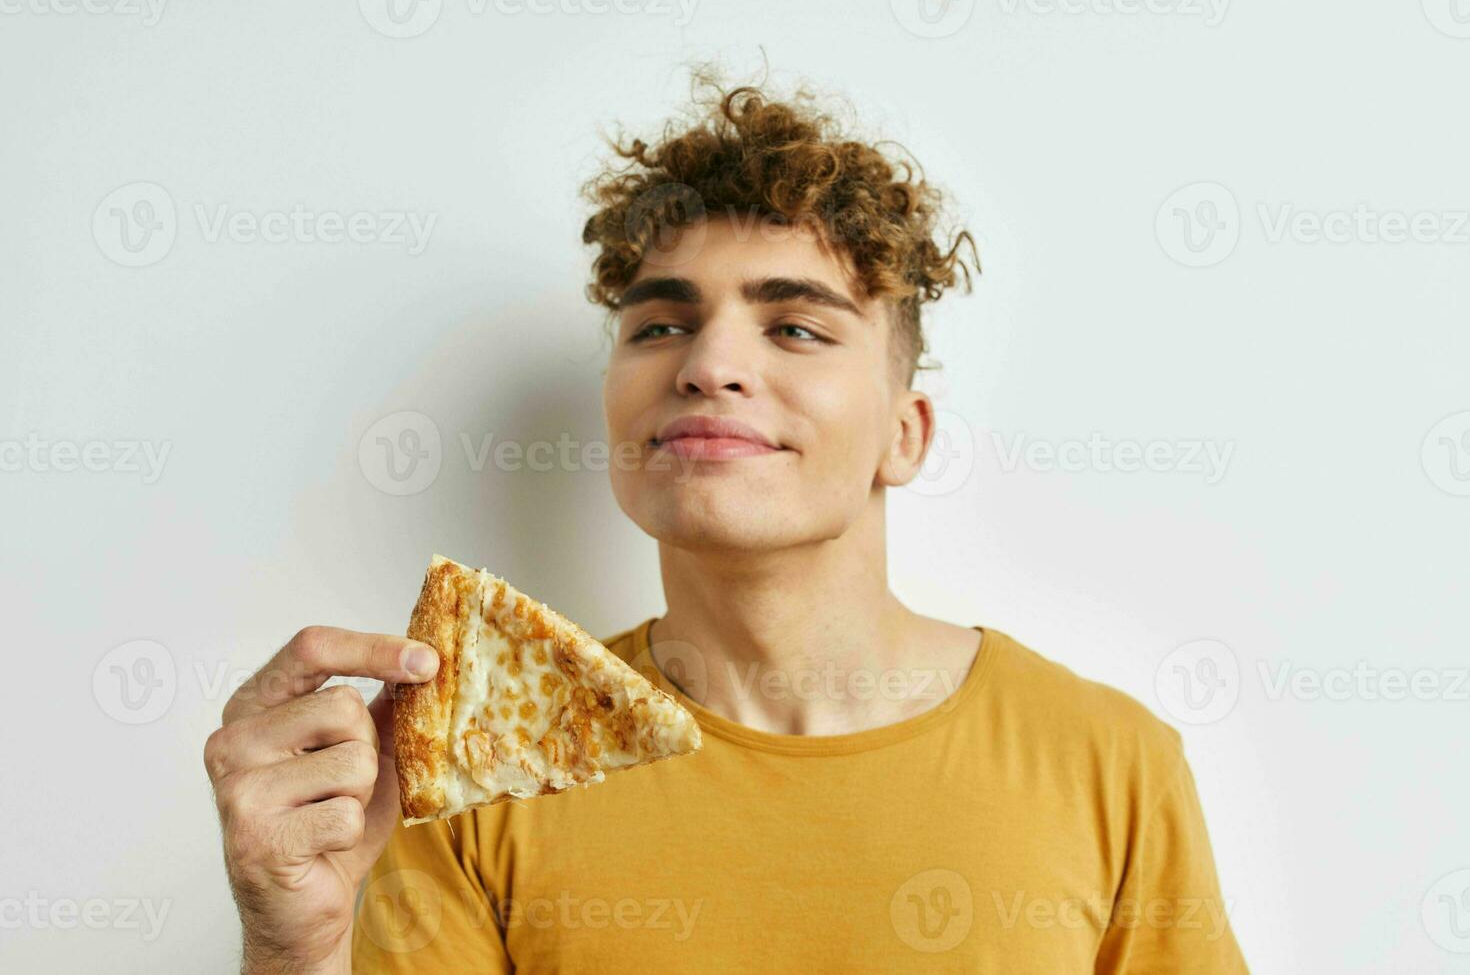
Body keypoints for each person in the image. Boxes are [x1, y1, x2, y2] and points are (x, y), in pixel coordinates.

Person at [205, 69, 1249, 973]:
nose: (708, 365)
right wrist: (295, 948)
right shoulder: (477, 773)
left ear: (905, 431)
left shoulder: (1108, 760)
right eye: (661, 324)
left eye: (794, 324)